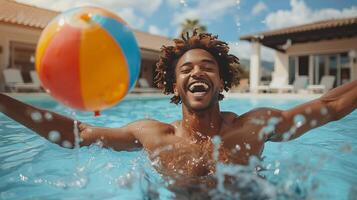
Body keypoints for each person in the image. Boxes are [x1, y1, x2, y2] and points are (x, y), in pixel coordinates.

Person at [0, 30, 357, 193]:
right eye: (186, 70)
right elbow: (79, 135)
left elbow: (328, 107)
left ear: (221, 82)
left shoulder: (253, 126)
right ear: (174, 86)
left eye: (207, 68)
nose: (197, 72)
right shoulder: (152, 135)